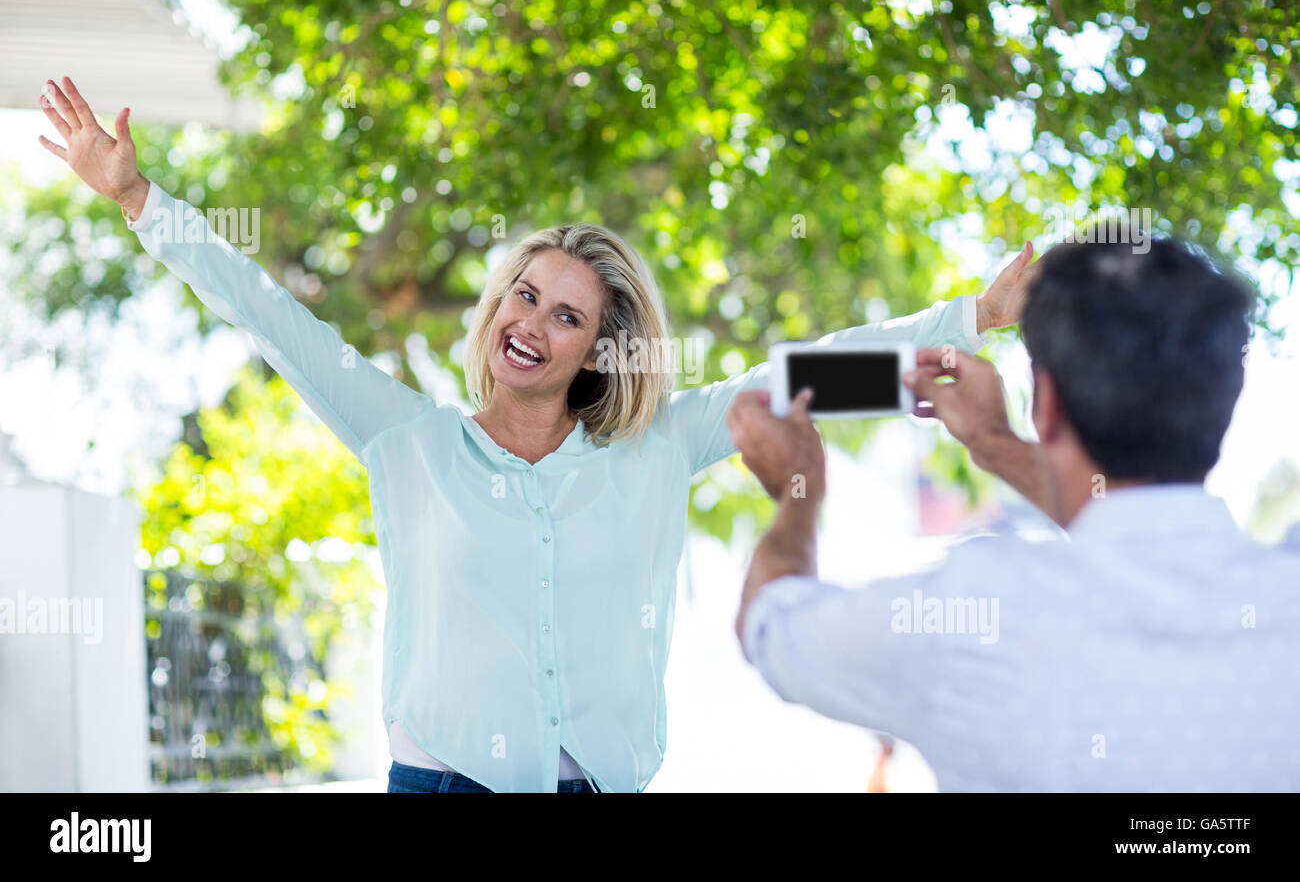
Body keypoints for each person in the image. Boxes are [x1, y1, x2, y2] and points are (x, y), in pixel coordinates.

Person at [37, 75, 1034, 792]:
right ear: (494, 307)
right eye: (524, 295)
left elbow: (797, 372)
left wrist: (971, 317)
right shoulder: (407, 439)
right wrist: (137, 198)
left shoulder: (658, 448)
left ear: (597, 353)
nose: (531, 322)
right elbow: (270, 316)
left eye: (567, 316)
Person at [727, 230, 1300, 791]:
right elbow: (1128, 525)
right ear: (1223, 402)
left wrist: (798, 488)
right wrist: (993, 442)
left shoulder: (972, 616)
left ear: (1044, 404)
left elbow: (769, 623)